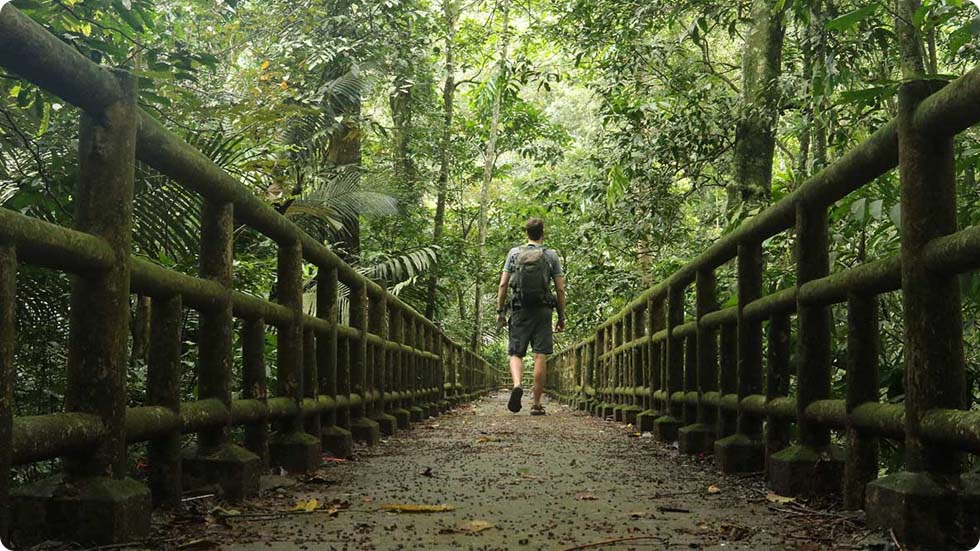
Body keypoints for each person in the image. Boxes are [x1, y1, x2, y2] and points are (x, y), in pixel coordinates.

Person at [496, 218, 566, 415]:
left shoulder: (514, 253)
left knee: (516, 353)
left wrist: (500, 311)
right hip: (543, 310)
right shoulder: (550, 255)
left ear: (526, 233)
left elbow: (502, 285)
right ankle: (536, 403)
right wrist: (561, 316)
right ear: (543, 233)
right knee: (540, 354)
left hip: (519, 308)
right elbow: (560, 289)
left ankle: (517, 384)